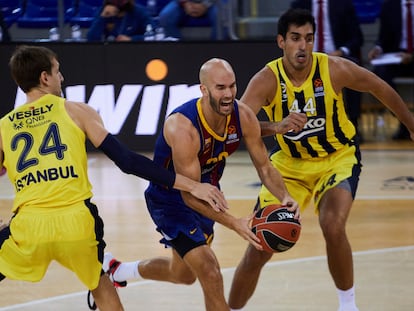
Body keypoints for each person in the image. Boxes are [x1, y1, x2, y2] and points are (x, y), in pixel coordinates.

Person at [0, 45, 228, 311]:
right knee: (99, 285)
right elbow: (127, 161)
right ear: (44, 78)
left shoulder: (4, 126)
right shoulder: (76, 111)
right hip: (77, 223)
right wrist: (191, 185)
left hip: (29, 226)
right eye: (57, 71)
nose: (61, 78)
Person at [228, 8, 414, 311]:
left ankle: (348, 306)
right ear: (281, 42)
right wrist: (277, 126)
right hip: (288, 166)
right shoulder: (266, 79)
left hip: (337, 158)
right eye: (295, 38)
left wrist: (410, 124)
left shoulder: (334, 69)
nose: (302, 46)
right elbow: (237, 125)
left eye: (309, 38)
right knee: (259, 247)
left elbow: (379, 87)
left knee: (332, 224)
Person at [101, 58, 299, 311]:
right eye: (220, 88)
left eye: (232, 86)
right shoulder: (183, 128)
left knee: (183, 274)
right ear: (203, 90)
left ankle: (118, 270)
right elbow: (189, 195)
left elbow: (264, 167)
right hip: (171, 199)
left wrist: (284, 196)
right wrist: (234, 223)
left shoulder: (243, 115)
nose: (228, 94)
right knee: (210, 271)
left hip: (209, 193)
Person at [290, 0, 364, 142]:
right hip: (305, 56)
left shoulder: (343, 4)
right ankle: (299, 125)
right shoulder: (299, 4)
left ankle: (354, 123)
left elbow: (357, 38)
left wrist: (340, 52)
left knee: (353, 70)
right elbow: (290, 36)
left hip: (336, 55)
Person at [368, 0, 414, 140]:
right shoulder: (390, 5)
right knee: (380, 74)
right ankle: (405, 122)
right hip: (396, 56)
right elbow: (383, 37)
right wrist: (378, 49)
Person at [87, 0, 152, 42]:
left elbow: (153, 36)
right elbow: (91, 39)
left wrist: (131, 39)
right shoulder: (103, 12)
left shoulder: (139, 12)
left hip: (135, 52)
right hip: (110, 53)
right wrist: (102, 18)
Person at [158, 0, 223, 40]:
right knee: (166, 17)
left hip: (213, 2)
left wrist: (205, 4)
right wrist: (185, 3)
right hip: (185, 2)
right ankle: (177, 49)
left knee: (222, 17)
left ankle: (216, 51)